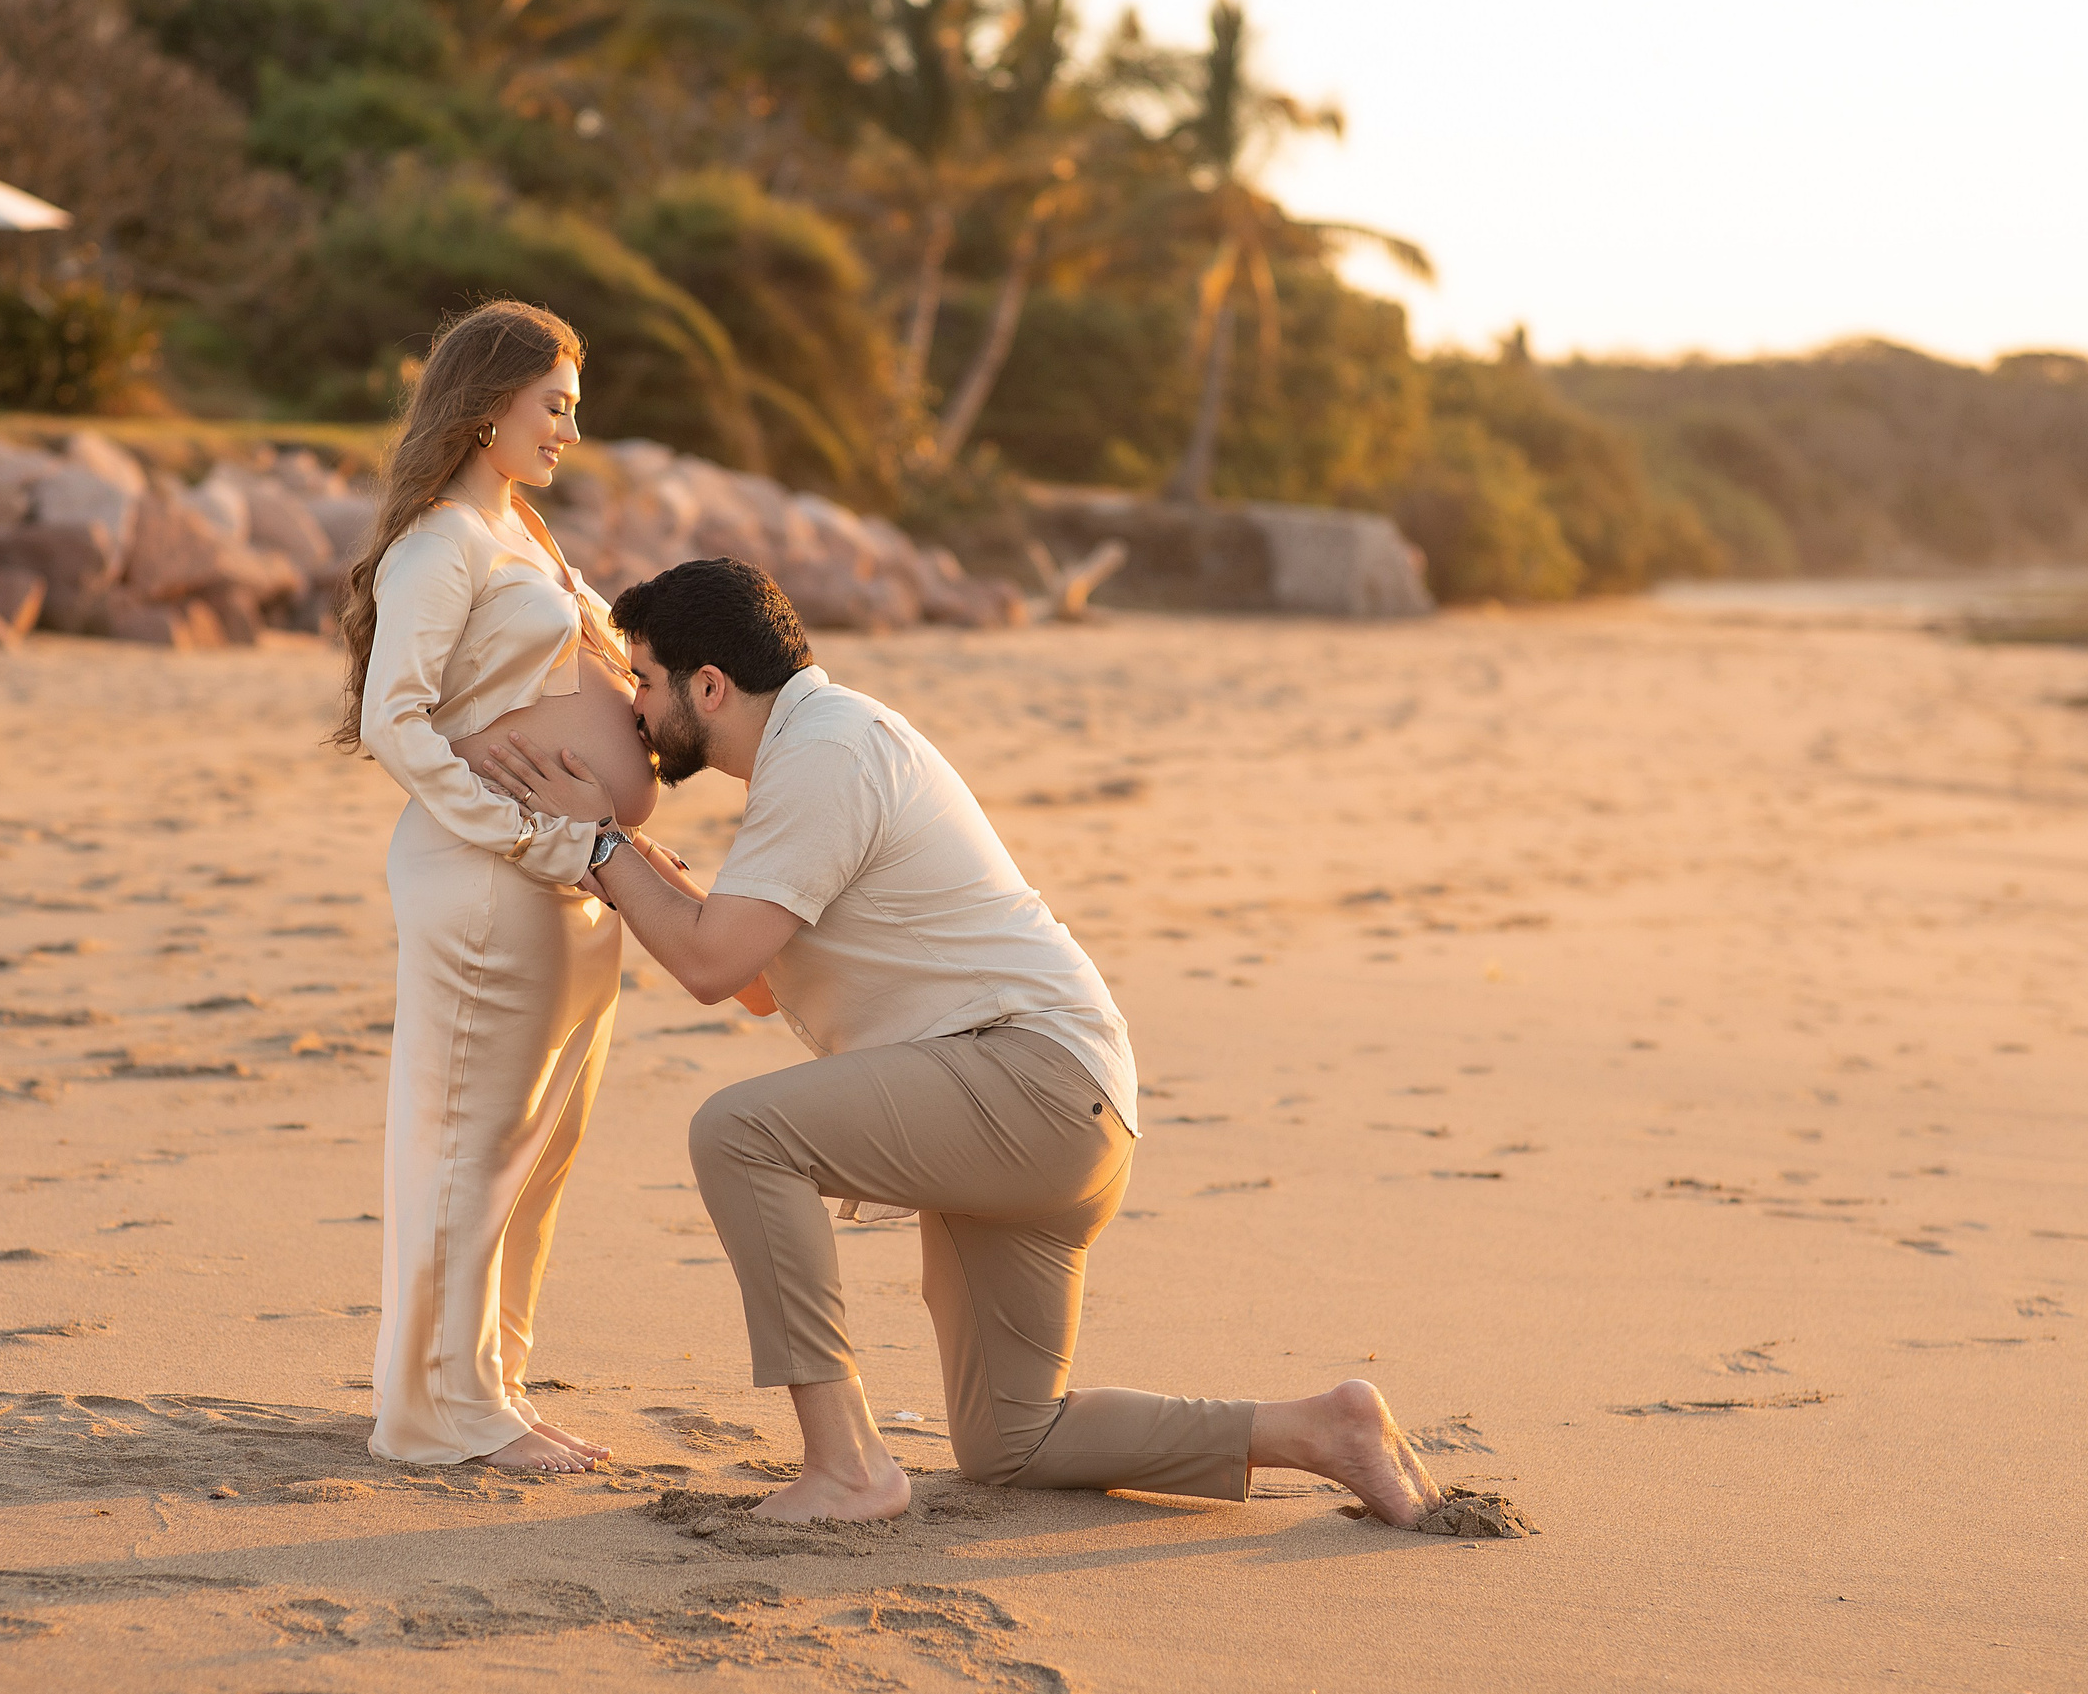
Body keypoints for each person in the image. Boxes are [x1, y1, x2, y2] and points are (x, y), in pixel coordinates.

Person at [478, 558, 1447, 1525]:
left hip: (1024, 1080)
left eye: (644, 679)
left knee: (739, 1133)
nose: (635, 707)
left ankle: (847, 1464)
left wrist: (600, 843)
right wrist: (641, 868)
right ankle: (1323, 1429)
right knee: (1013, 1441)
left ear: (710, 686)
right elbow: (760, 984)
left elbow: (708, 965)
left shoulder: (823, 755)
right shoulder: (824, 742)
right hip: (1064, 1106)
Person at [331, 301, 663, 1474]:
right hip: (489, 875)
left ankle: (494, 1385)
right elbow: (396, 718)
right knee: (469, 1144)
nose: (571, 429)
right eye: (555, 405)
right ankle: (439, 1408)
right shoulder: (441, 543)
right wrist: (527, 831)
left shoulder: (519, 527)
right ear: (485, 407)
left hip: (567, 880)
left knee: (538, 1149)